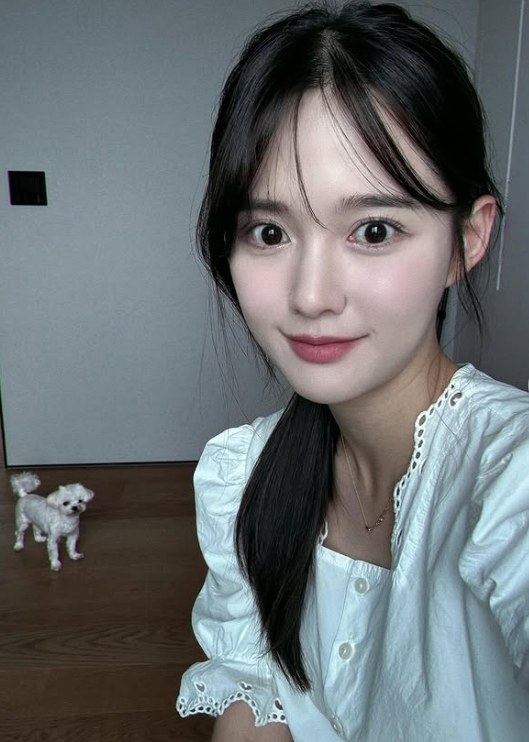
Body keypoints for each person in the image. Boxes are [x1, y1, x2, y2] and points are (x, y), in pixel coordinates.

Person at [177, 2, 529, 740]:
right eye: (268, 231)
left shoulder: (509, 474)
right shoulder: (244, 476)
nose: (311, 296)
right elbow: (254, 693)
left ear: (466, 240)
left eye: (373, 229)